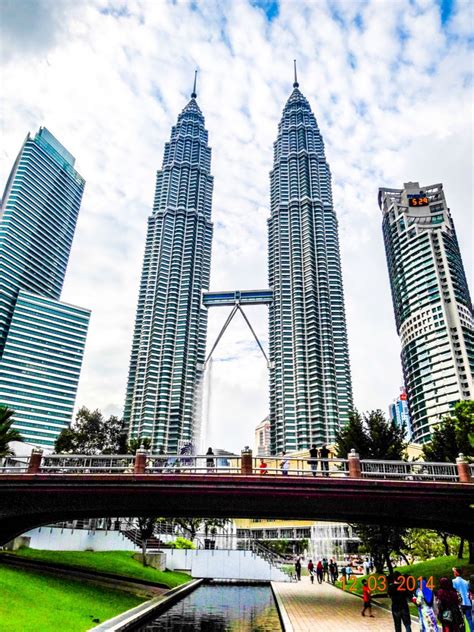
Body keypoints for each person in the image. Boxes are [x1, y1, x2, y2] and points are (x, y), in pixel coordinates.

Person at [452, 567, 473, 632]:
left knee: (461, 620)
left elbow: (454, 591)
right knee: (469, 619)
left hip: (460, 603)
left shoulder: (453, 581)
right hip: (468, 602)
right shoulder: (466, 582)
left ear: (455, 573)